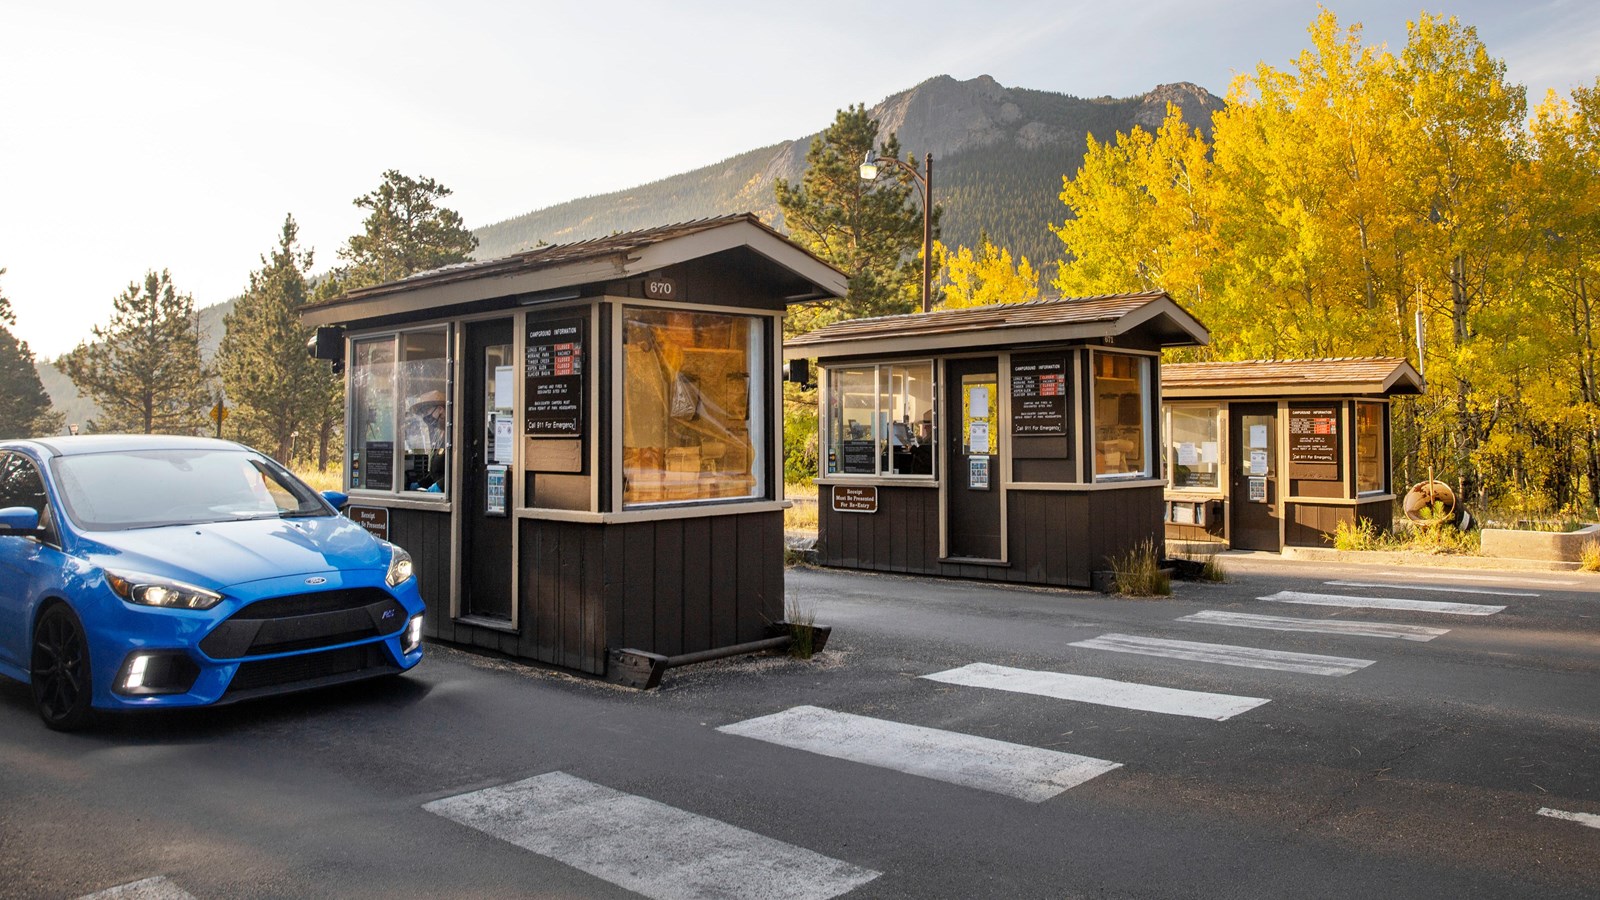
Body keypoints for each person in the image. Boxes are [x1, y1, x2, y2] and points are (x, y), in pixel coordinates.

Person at [403, 390, 448, 490]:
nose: (425, 417)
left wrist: (441, 485)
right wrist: (420, 484)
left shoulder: (454, 434)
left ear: (440, 409)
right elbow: (436, 473)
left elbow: (458, 471)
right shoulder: (439, 435)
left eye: (427, 411)